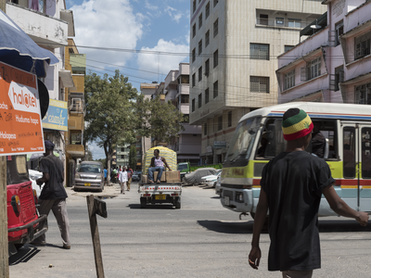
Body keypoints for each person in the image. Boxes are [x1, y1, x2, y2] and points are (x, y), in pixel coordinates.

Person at [248, 108, 369, 278]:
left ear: (285, 136)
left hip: (280, 246)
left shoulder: (271, 167)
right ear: (307, 134)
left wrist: (255, 245)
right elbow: (337, 205)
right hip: (302, 248)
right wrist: (358, 215)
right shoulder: (316, 165)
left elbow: (261, 208)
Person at [34, 140, 71, 249]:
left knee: (41, 216)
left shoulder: (44, 160)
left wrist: (39, 181)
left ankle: (40, 240)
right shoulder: (59, 161)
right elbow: (62, 178)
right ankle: (67, 242)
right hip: (60, 192)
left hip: (49, 192)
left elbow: (46, 177)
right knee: (63, 219)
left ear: (46, 149)